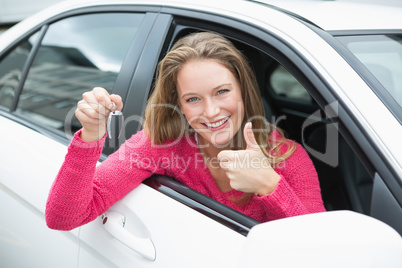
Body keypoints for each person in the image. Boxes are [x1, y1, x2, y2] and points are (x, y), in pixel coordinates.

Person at [46, 32, 326, 231]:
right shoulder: (163, 143)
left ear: (243, 89)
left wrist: (269, 186)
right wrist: (91, 136)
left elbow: (321, 252)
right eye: (193, 99)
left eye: (222, 92)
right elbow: (65, 217)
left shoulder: (288, 157)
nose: (211, 111)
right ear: (178, 104)